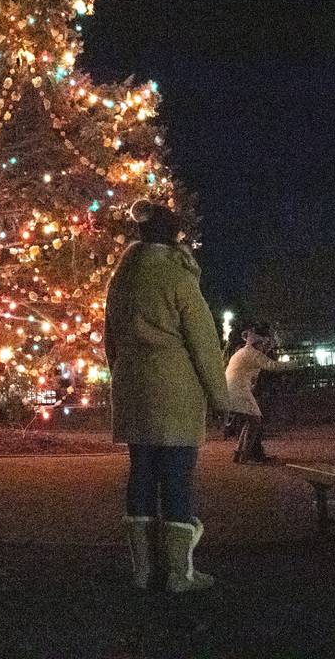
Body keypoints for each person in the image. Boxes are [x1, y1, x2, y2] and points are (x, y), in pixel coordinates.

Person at [103, 201, 227, 593]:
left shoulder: (121, 278)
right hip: (174, 390)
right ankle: (179, 573)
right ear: (175, 236)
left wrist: (123, 376)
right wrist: (221, 399)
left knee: (140, 475)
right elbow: (203, 342)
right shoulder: (178, 276)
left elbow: (111, 342)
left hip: (134, 388)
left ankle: (142, 570)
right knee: (176, 478)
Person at [225, 324, 298, 463]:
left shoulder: (242, 352)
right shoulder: (253, 354)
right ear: (257, 344)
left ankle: (239, 453)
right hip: (239, 390)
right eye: (263, 344)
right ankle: (245, 456)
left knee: (250, 421)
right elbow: (273, 366)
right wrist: (295, 364)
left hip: (234, 389)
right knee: (255, 421)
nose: (265, 347)